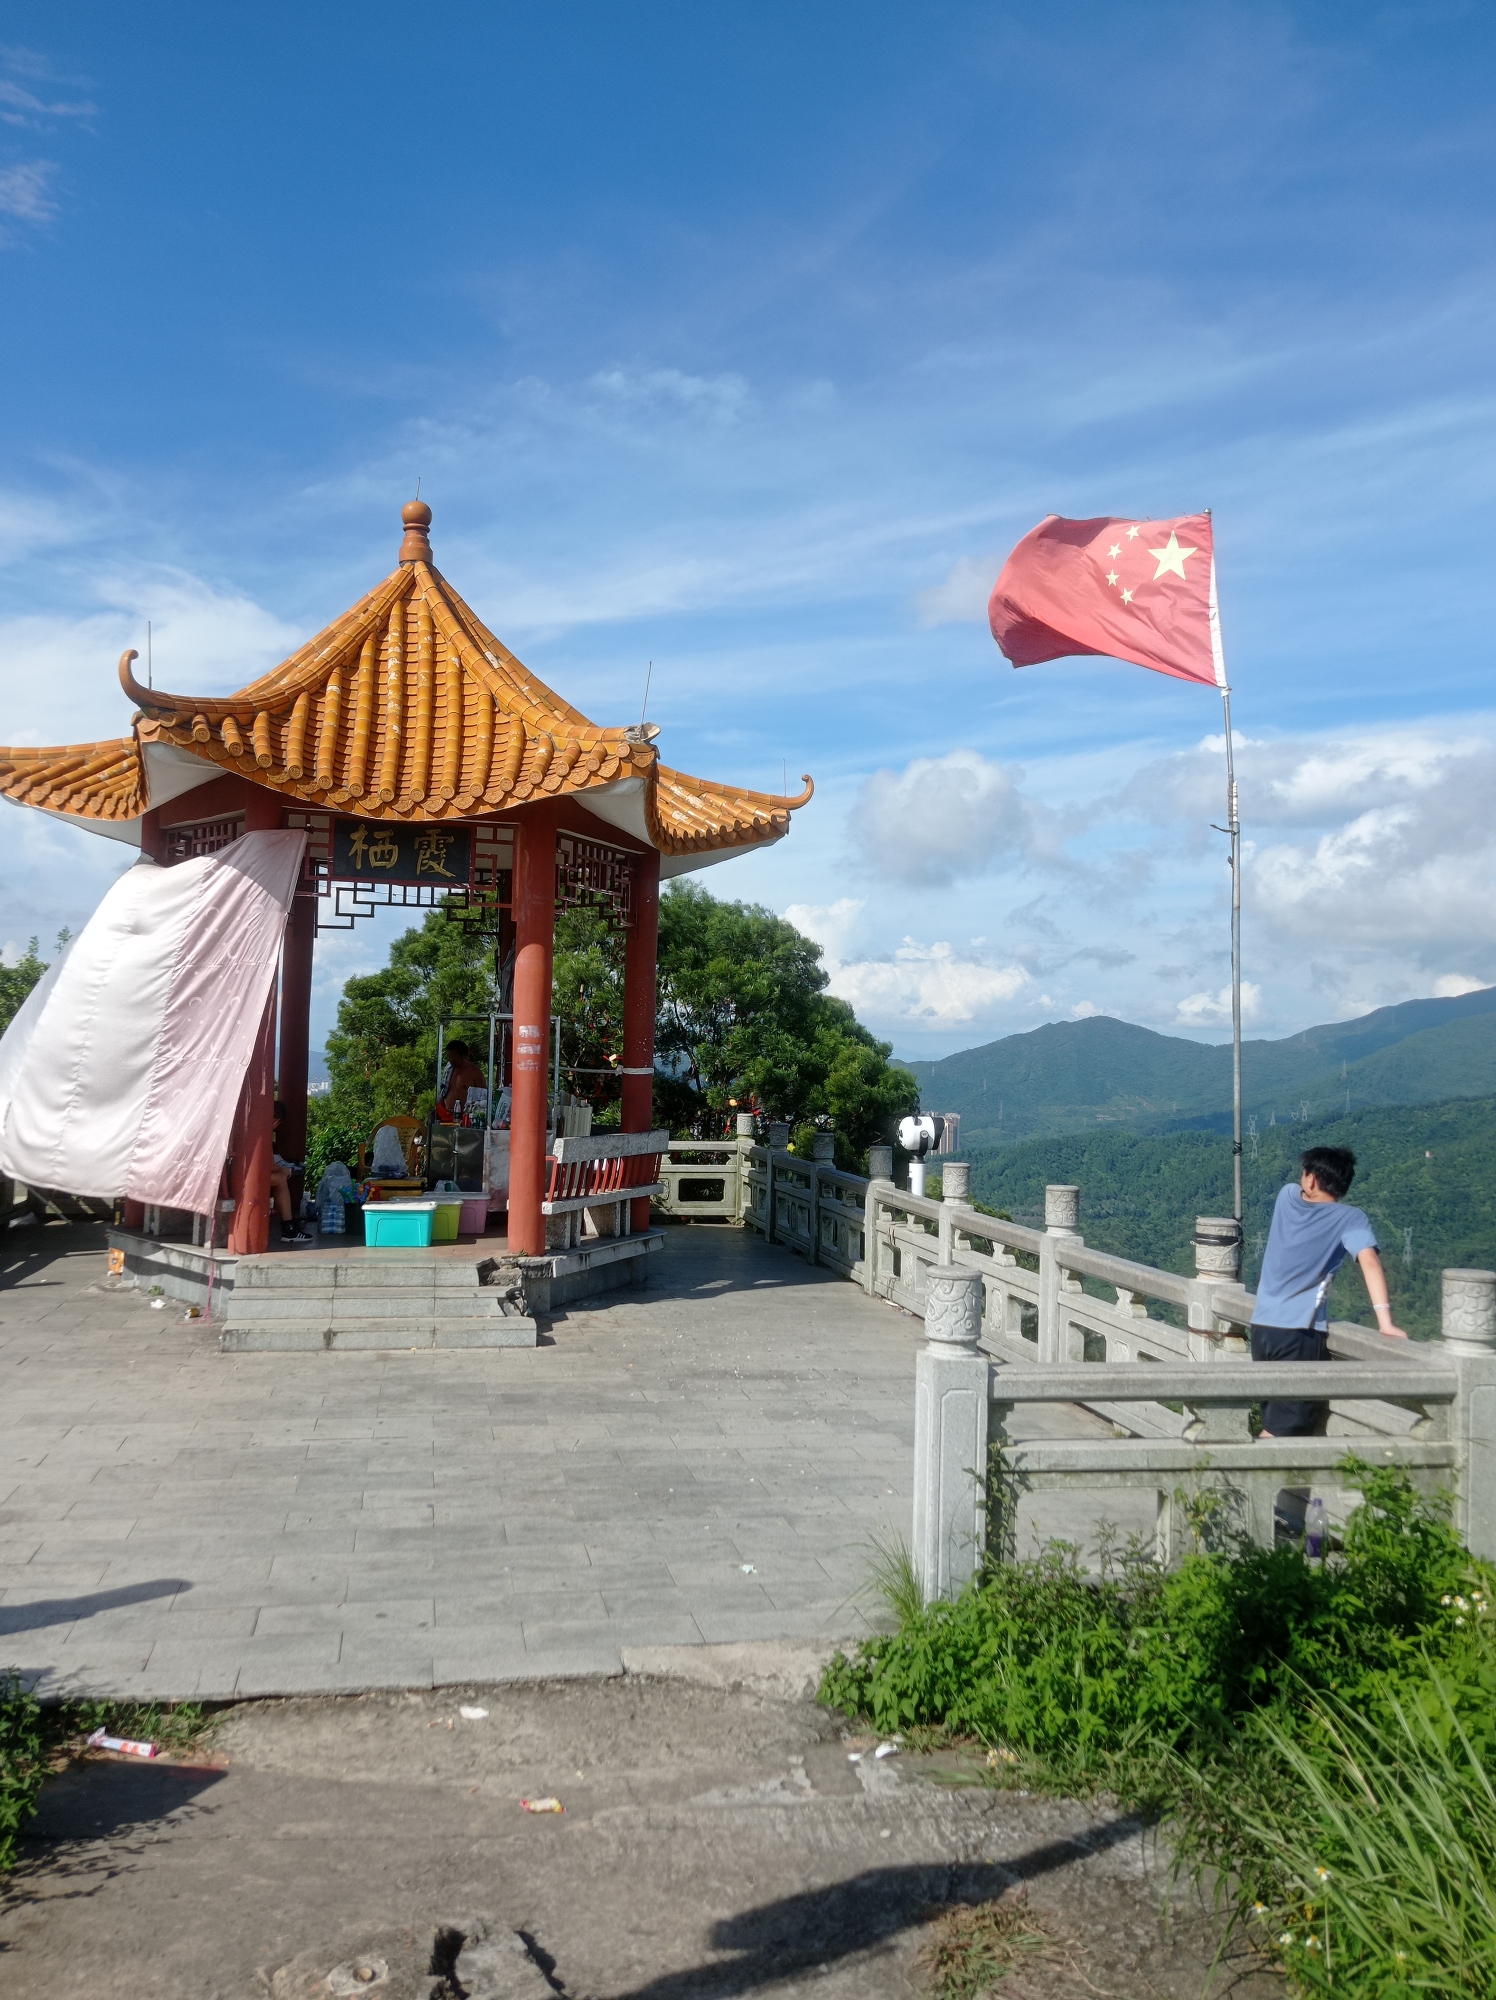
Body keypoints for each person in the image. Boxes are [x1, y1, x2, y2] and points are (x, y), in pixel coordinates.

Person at [1251, 1145, 1406, 1437]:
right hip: (1297, 1332)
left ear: (1310, 1179)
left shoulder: (1286, 1197)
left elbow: (1300, 1196)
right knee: (1283, 1429)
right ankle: (1239, 1480)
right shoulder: (1350, 1218)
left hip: (1262, 1328)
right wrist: (1385, 1322)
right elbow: (1369, 1262)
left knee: (1274, 1419)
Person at [270, 1100, 313, 1245]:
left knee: (279, 1177)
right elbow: (267, 1165)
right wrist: (283, 1169)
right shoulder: (263, 1132)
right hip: (247, 1176)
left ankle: (289, 1226)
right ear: (276, 1122)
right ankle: (289, 1227)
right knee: (281, 1178)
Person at [438, 1039, 487, 1121]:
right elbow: (444, 1091)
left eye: (454, 1056)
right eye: (449, 1056)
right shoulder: (449, 1070)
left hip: (464, 1118)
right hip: (445, 1115)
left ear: (464, 1055)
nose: (451, 1060)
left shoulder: (475, 1073)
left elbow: (483, 1099)